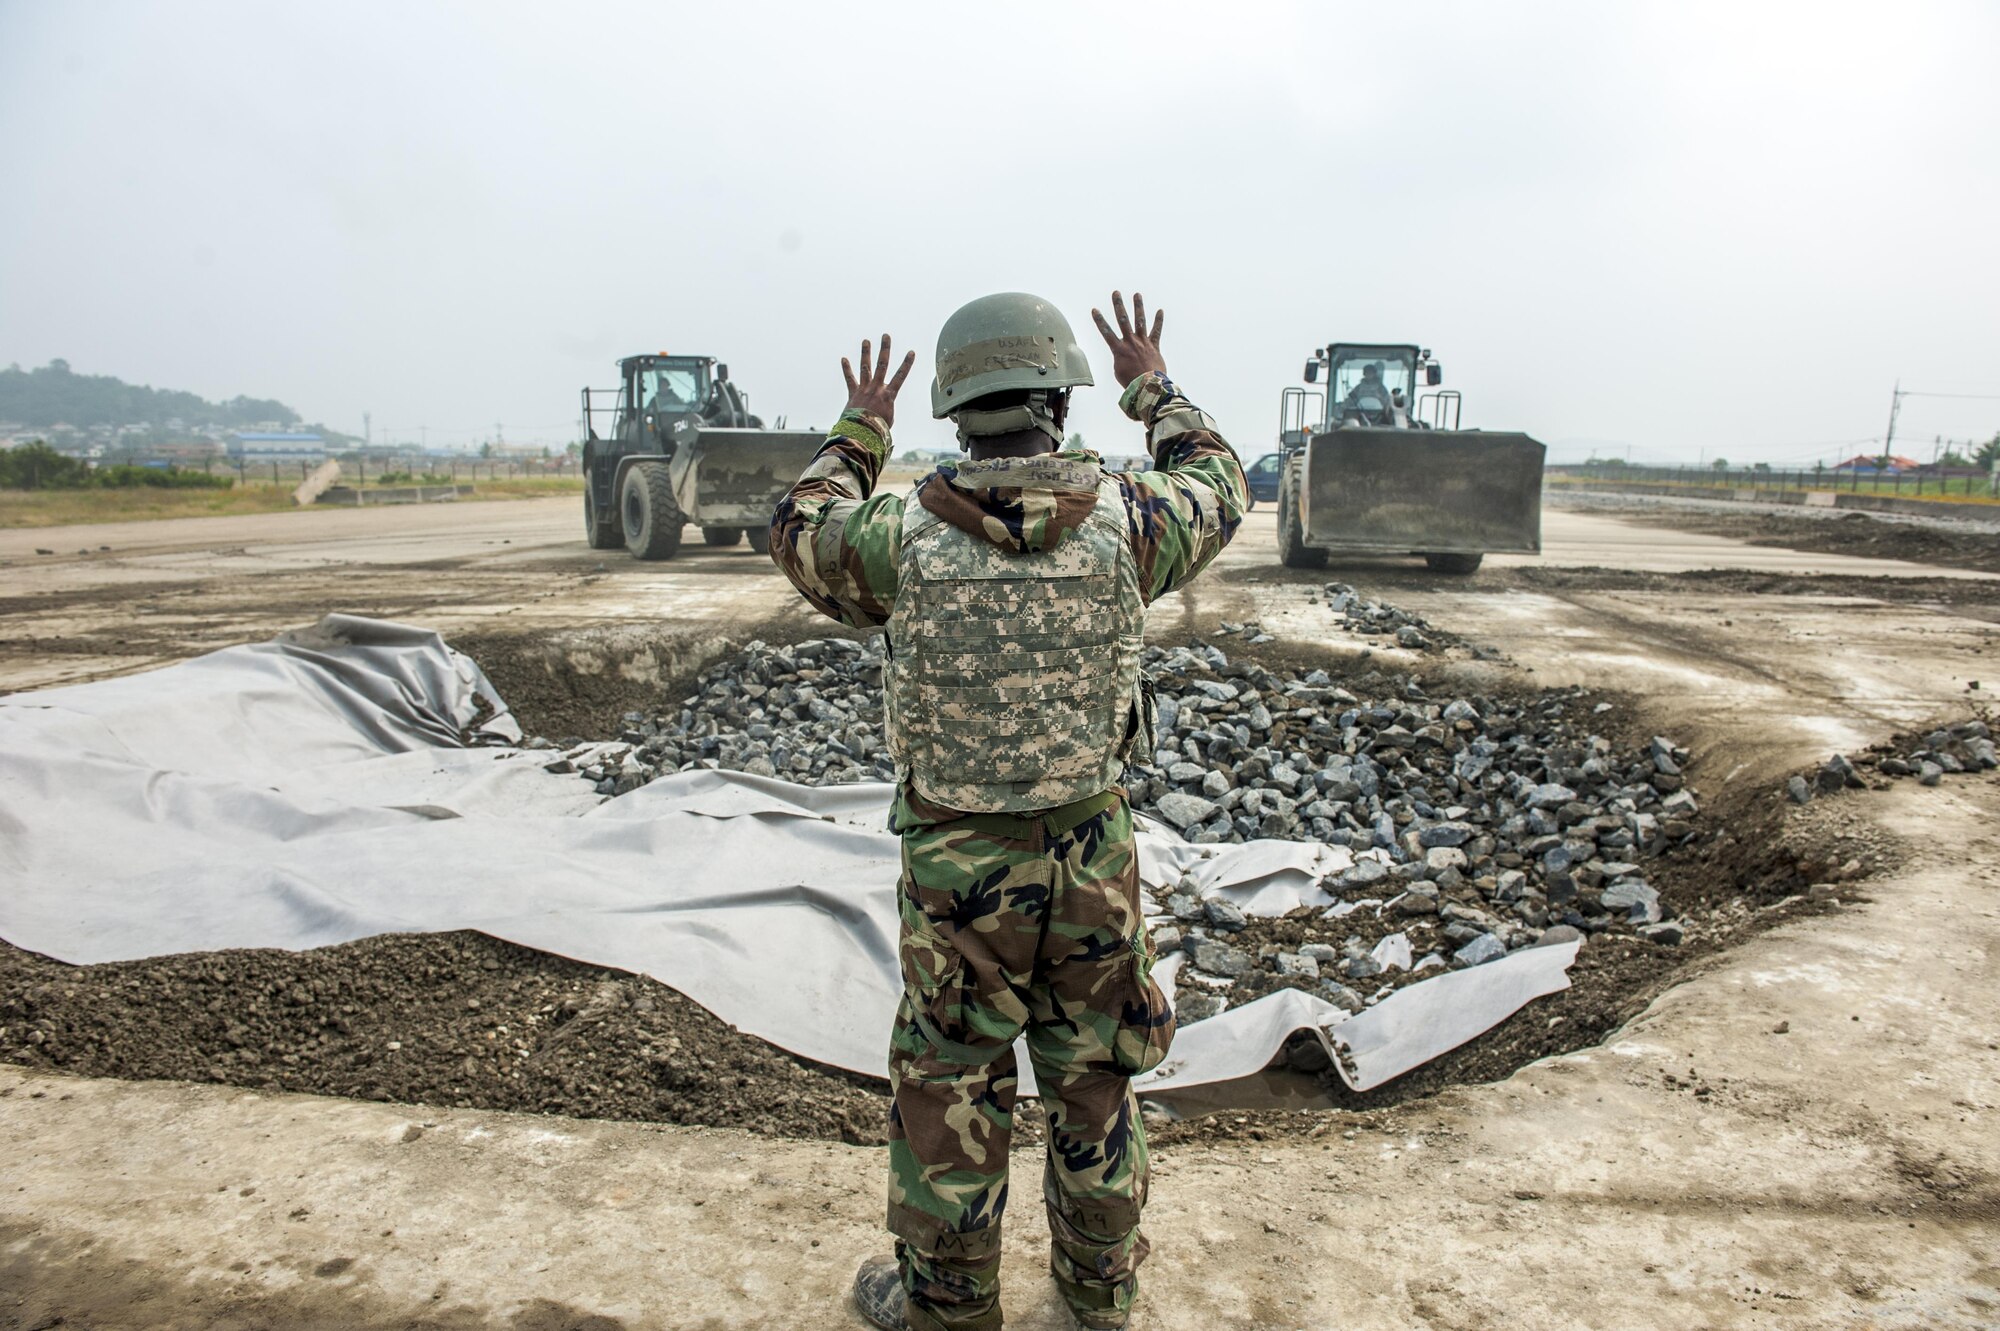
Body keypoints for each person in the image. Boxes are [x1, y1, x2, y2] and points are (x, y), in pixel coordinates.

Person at [769, 291, 1246, 1331]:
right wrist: (1150, 383)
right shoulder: (1133, 522)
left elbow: (797, 526)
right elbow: (1220, 478)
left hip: (954, 877)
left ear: (954, 410)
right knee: (1095, 1085)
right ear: (1057, 398)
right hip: (1091, 860)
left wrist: (860, 428)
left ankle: (946, 1308)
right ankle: (1097, 1295)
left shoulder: (899, 540)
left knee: (951, 1088)